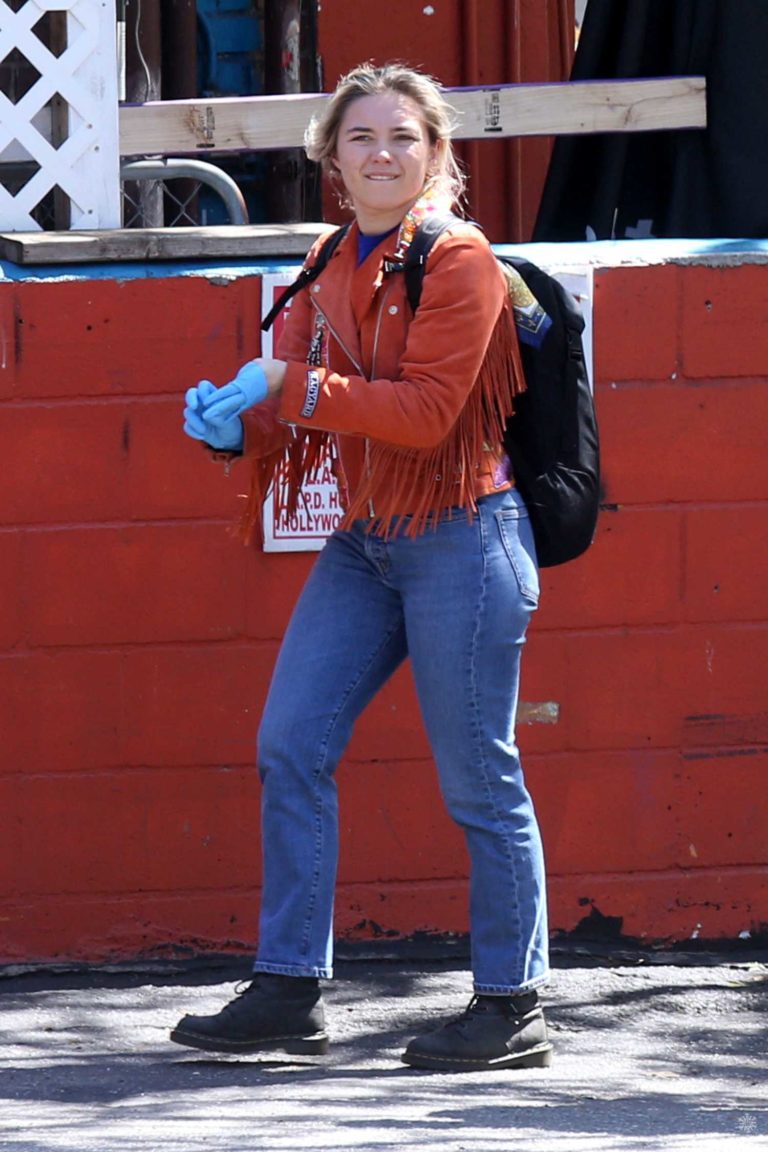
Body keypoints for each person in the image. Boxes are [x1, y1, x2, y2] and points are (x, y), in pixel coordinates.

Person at [172, 62, 552, 1073]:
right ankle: (291, 986)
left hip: (466, 539)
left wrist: (285, 383)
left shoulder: (462, 261)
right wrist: (227, 423)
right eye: (362, 139)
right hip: (367, 542)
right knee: (290, 744)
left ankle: (512, 1005)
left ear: (437, 156)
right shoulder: (327, 256)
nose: (383, 155)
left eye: (404, 138)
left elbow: (425, 417)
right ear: (331, 159)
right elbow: (290, 414)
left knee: (479, 780)